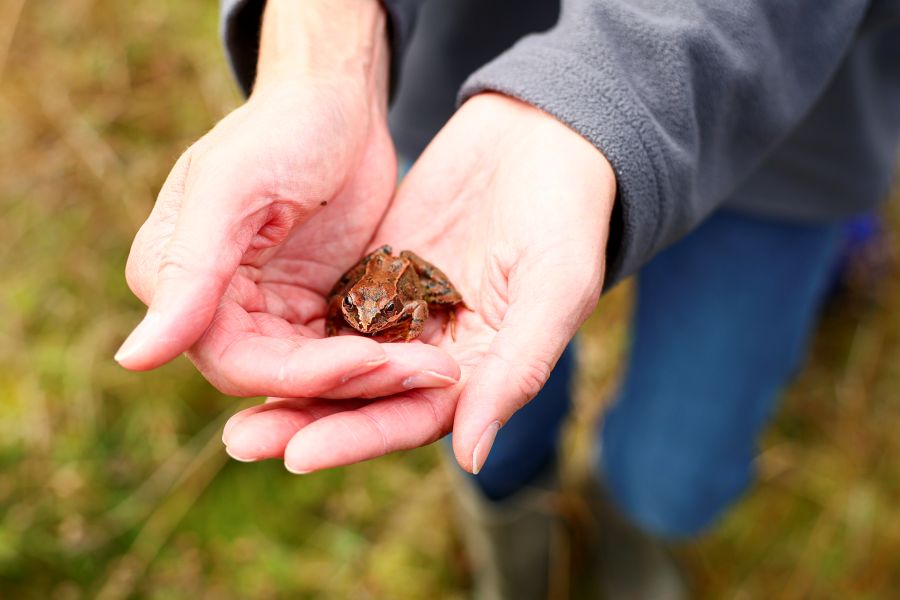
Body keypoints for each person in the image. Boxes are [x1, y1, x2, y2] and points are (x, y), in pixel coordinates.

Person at [116, 0, 900, 597]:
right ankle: (517, 540)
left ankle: (636, 533)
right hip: (454, 83)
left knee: (683, 461)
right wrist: (320, 51)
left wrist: (602, 91)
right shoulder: (401, 270)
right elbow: (401, 278)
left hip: (792, 127)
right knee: (480, 404)